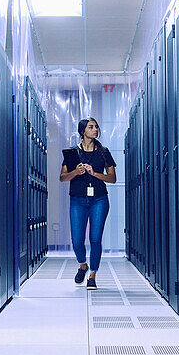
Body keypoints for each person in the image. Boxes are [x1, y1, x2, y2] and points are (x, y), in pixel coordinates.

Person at [59, 117, 116, 289]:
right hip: (77, 200)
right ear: (83, 131)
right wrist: (76, 172)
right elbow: (62, 178)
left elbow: (112, 179)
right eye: (91, 127)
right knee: (77, 240)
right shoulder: (72, 153)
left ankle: (92, 275)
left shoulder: (104, 152)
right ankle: (83, 265)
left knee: (95, 239)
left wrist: (95, 173)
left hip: (99, 199)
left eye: (97, 127)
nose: (95, 130)